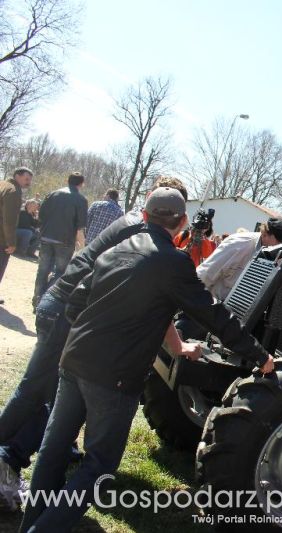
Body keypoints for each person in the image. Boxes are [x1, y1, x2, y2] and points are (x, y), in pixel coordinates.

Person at [19, 187, 275, 532]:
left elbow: (76, 303)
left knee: (53, 449)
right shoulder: (173, 261)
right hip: (114, 378)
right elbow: (212, 315)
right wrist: (259, 355)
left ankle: (30, 524)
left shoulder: (118, 249)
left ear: (144, 216)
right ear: (182, 221)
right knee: (99, 467)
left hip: (74, 361)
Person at [0, 176, 196, 512]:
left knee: (49, 397)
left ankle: (22, 467)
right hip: (67, 310)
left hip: (63, 306)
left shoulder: (136, 223)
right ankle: (8, 459)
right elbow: (150, 295)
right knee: (36, 391)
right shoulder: (141, 233)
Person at [174, 217, 282, 339]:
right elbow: (205, 274)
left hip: (233, 320)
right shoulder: (239, 244)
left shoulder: (273, 255)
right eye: (280, 243)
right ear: (266, 234)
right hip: (206, 311)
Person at [33, 172, 88, 307]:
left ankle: (37, 299)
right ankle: (46, 301)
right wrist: (82, 246)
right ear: (81, 184)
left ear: (67, 180)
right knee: (60, 272)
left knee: (43, 270)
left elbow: (41, 216)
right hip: (65, 241)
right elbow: (79, 227)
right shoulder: (81, 199)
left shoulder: (53, 194)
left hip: (46, 237)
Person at [0, 168, 33, 304]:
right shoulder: (13, 191)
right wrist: (12, 243)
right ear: (17, 176)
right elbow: (10, 220)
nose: (28, 183)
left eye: (30, 180)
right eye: (26, 179)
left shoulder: (2, 184)